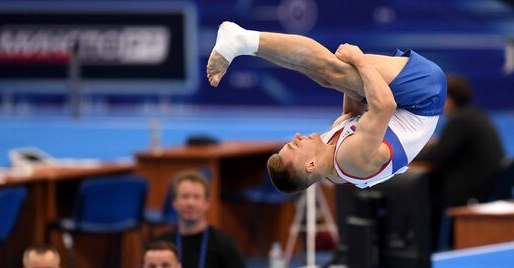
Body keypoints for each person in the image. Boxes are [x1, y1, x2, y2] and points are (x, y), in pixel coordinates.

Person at [207, 21, 447, 192]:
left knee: (326, 76)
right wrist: (359, 61)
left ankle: (245, 45)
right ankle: (242, 40)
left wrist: (339, 78)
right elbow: (384, 105)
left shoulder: (330, 152)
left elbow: (352, 113)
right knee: (333, 71)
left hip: (402, 105)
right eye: (294, 145)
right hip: (424, 98)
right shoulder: (350, 160)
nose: (297, 136)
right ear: (310, 165)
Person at [152, 169, 251, 268]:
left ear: (206, 203)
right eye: (185, 197)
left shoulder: (223, 242)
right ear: (174, 203)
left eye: (196, 197)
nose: (190, 203)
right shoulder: (161, 245)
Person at [416, 74, 505, 207]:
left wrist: (408, 154)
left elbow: (437, 156)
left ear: (450, 99)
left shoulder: (460, 121)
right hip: (486, 188)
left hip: (469, 193)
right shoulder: (475, 115)